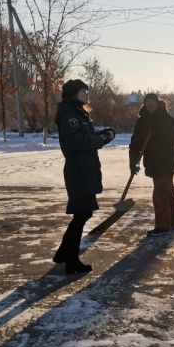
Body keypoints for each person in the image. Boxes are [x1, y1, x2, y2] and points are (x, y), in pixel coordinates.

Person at [52, 79, 115, 274]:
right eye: (83, 91)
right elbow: (75, 141)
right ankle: (70, 260)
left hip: (84, 168)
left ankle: (64, 253)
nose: (86, 94)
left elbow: (84, 135)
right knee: (82, 213)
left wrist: (102, 135)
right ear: (73, 94)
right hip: (78, 170)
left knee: (83, 213)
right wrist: (100, 140)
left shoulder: (78, 112)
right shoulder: (70, 114)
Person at [129, 93, 174, 236]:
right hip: (152, 162)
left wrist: (158, 138)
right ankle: (173, 222)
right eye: (147, 101)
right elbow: (135, 143)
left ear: (158, 103)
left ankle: (163, 226)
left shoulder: (166, 119)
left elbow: (173, 140)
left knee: (159, 194)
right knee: (167, 191)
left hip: (165, 161)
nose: (150, 104)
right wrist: (133, 162)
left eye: (152, 101)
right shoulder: (142, 121)